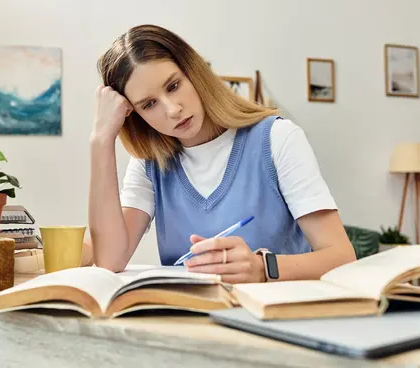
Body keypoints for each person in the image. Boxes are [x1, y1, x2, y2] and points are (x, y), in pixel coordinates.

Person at [87, 24, 355, 284]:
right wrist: (101, 140)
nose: (172, 110)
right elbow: (110, 260)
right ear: (136, 115)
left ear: (194, 71)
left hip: (273, 320)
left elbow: (342, 257)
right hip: (190, 321)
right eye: (149, 104)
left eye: (173, 86)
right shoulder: (150, 163)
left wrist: (263, 268)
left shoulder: (278, 138)